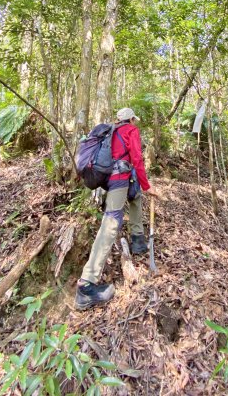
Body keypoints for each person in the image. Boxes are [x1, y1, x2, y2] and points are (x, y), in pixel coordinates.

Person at [75, 107, 154, 310]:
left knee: (136, 196)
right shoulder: (131, 131)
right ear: (131, 120)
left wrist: (140, 186)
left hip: (110, 179)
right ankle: (86, 284)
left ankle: (137, 240)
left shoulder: (111, 130)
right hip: (119, 178)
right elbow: (137, 159)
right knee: (111, 223)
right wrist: (148, 185)